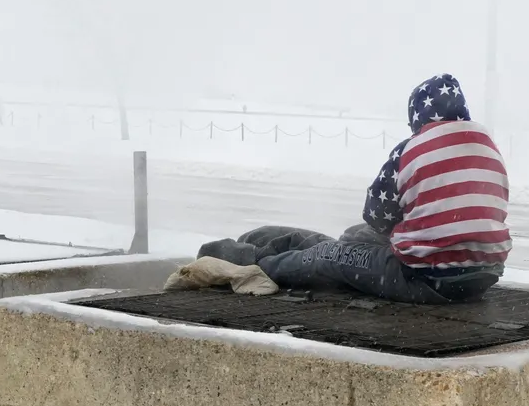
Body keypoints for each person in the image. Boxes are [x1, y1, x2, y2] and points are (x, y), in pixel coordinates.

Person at [198, 73, 510, 304]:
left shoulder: (412, 148)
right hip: (481, 278)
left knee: (333, 254)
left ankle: (249, 261)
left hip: (429, 280)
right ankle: (275, 245)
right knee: (352, 241)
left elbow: (376, 214)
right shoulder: (488, 146)